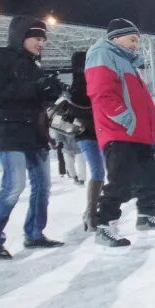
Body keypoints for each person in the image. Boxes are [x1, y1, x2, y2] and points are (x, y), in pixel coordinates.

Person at [0, 16, 65, 259]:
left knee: (43, 187)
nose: (42, 44)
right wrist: (36, 88)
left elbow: (35, 98)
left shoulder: (34, 65)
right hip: (8, 132)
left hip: (34, 132)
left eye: (43, 39)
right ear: (21, 37)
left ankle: (35, 234)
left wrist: (51, 92)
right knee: (13, 186)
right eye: (37, 38)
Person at [85, 18, 155, 248]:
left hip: (137, 133)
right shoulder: (102, 54)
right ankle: (104, 225)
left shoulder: (127, 62)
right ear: (116, 38)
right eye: (132, 39)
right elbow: (102, 93)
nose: (136, 44)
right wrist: (126, 119)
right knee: (119, 182)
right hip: (119, 132)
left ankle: (146, 215)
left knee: (151, 179)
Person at [65, 51, 106, 232]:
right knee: (99, 172)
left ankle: (92, 211)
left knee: (100, 172)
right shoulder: (83, 87)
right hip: (91, 134)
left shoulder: (76, 88)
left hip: (91, 135)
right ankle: (91, 212)